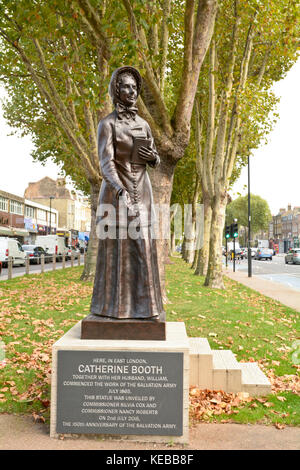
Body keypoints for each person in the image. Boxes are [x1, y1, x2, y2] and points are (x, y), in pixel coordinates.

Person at [90, 66, 165, 321]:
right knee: (117, 252)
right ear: (116, 90)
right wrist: (119, 189)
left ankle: (147, 309)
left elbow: (154, 158)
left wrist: (153, 157)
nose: (131, 91)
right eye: (125, 86)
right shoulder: (107, 124)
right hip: (116, 194)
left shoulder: (143, 124)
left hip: (142, 194)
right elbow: (106, 163)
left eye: (134, 87)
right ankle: (113, 310)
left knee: (143, 245)